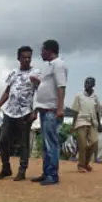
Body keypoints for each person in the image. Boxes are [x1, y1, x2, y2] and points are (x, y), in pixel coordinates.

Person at [0, 46, 40, 181]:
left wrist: (35, 111)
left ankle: (22, 170)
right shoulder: (13, 73)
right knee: (3, 140)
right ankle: (6, 168)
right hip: (9, 112)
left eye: (29, 57)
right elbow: (7, 92)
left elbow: (40, 92)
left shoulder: (35, 73)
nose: (27, 60)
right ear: (18, 58)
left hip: (25, 113)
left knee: (23, 143)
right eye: (24, 57)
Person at [32, 40, 67, 186]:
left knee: (51, 143)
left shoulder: (59, 65)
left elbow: (61, 86)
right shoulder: (48, 66)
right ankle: (46, 172)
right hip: (44, 109)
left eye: (43, 50)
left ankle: (52, 174)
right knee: (46, 144)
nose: (41, 53)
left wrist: (60, 108)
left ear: (49, 51)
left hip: (52, 109)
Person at [71, 77, 102, 173]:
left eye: (88, 83)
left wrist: (99, 124)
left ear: (93, 85)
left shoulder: (95, 97)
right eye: (85, 83)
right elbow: (75, 111)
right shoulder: (79, 96)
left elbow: (98, 111)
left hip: (92, 122)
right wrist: (73, 125)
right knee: (82, 145)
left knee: (93, 142)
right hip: (81, 121)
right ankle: (81, 165)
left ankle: (86, 163)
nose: (86, 85)